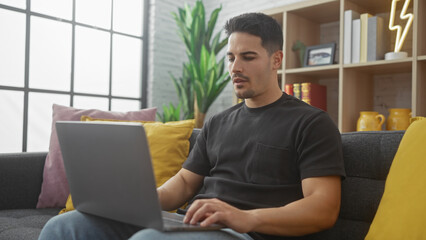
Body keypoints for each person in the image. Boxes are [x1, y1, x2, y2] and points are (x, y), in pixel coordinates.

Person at [39, 12, 345, 240]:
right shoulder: (219, 122)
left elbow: (323, 209)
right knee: (65, 226)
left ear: (276, 60)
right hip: (193, 224)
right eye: (230, 57)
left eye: (248, 57)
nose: (235, 68)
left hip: (248, 233)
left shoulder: (311, 123)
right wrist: (134, 201)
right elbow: (185, 183)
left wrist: (244, 218)